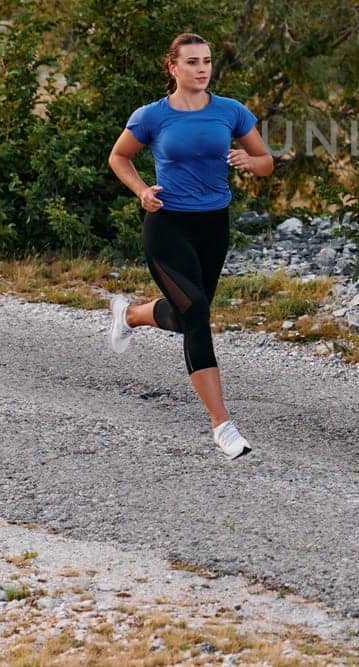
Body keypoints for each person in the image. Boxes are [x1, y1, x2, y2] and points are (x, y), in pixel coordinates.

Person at [106, 32, 274, 459]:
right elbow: (119, 157)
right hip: (167, 224)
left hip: (213, 226)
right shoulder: (151, 116)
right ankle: (223, 426)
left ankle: (129, 314)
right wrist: (142, 191)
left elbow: (266, 162)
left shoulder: (230, 111)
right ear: (173, 68)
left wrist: (249, 162)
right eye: (193, 62)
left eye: (207, 61)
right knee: (196, 313)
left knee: (189, 317)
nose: (202, 69)